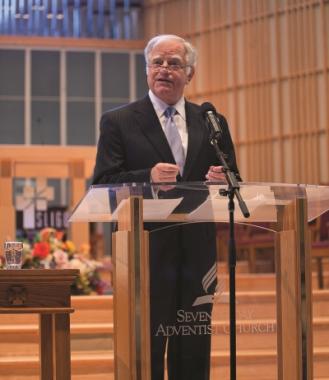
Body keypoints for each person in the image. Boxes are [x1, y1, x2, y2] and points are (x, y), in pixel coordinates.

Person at [93, 34, 241, 380]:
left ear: (189, 74)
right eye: (157, 62)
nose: (164, 70)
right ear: (146, 70)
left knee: (192, 345)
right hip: (144, 249)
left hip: (197, 249)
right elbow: (102, 182)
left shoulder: (210, 120)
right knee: (146, 346)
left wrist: (223, 177)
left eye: (174, 63)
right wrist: (147, 176)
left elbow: (233, 174)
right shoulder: (119, 121)